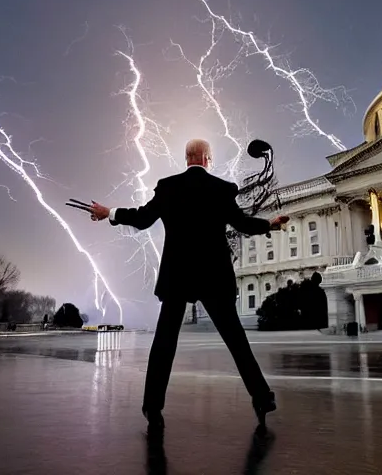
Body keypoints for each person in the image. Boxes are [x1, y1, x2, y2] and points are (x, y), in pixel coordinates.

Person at [88, 139, 289, 431]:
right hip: (214, 275)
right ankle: (262, 397)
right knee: (236, 340)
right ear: (208, 158)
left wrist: (110, 213)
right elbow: (242, 224)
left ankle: (153, 407)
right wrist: (269, 224)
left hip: (178, 275)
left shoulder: (168, 187)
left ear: (187, 159)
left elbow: (142, 219)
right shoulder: (222, 189)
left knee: (164, 342)